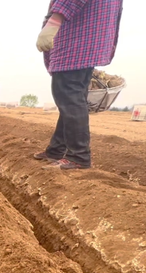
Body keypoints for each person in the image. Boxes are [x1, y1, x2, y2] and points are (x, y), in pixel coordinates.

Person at [34, 0, 123, 170]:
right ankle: (56, 150)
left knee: (69, 94)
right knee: (71, 97)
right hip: (88, 37)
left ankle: (79, 156)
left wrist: (54, 21)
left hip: (79, 37)